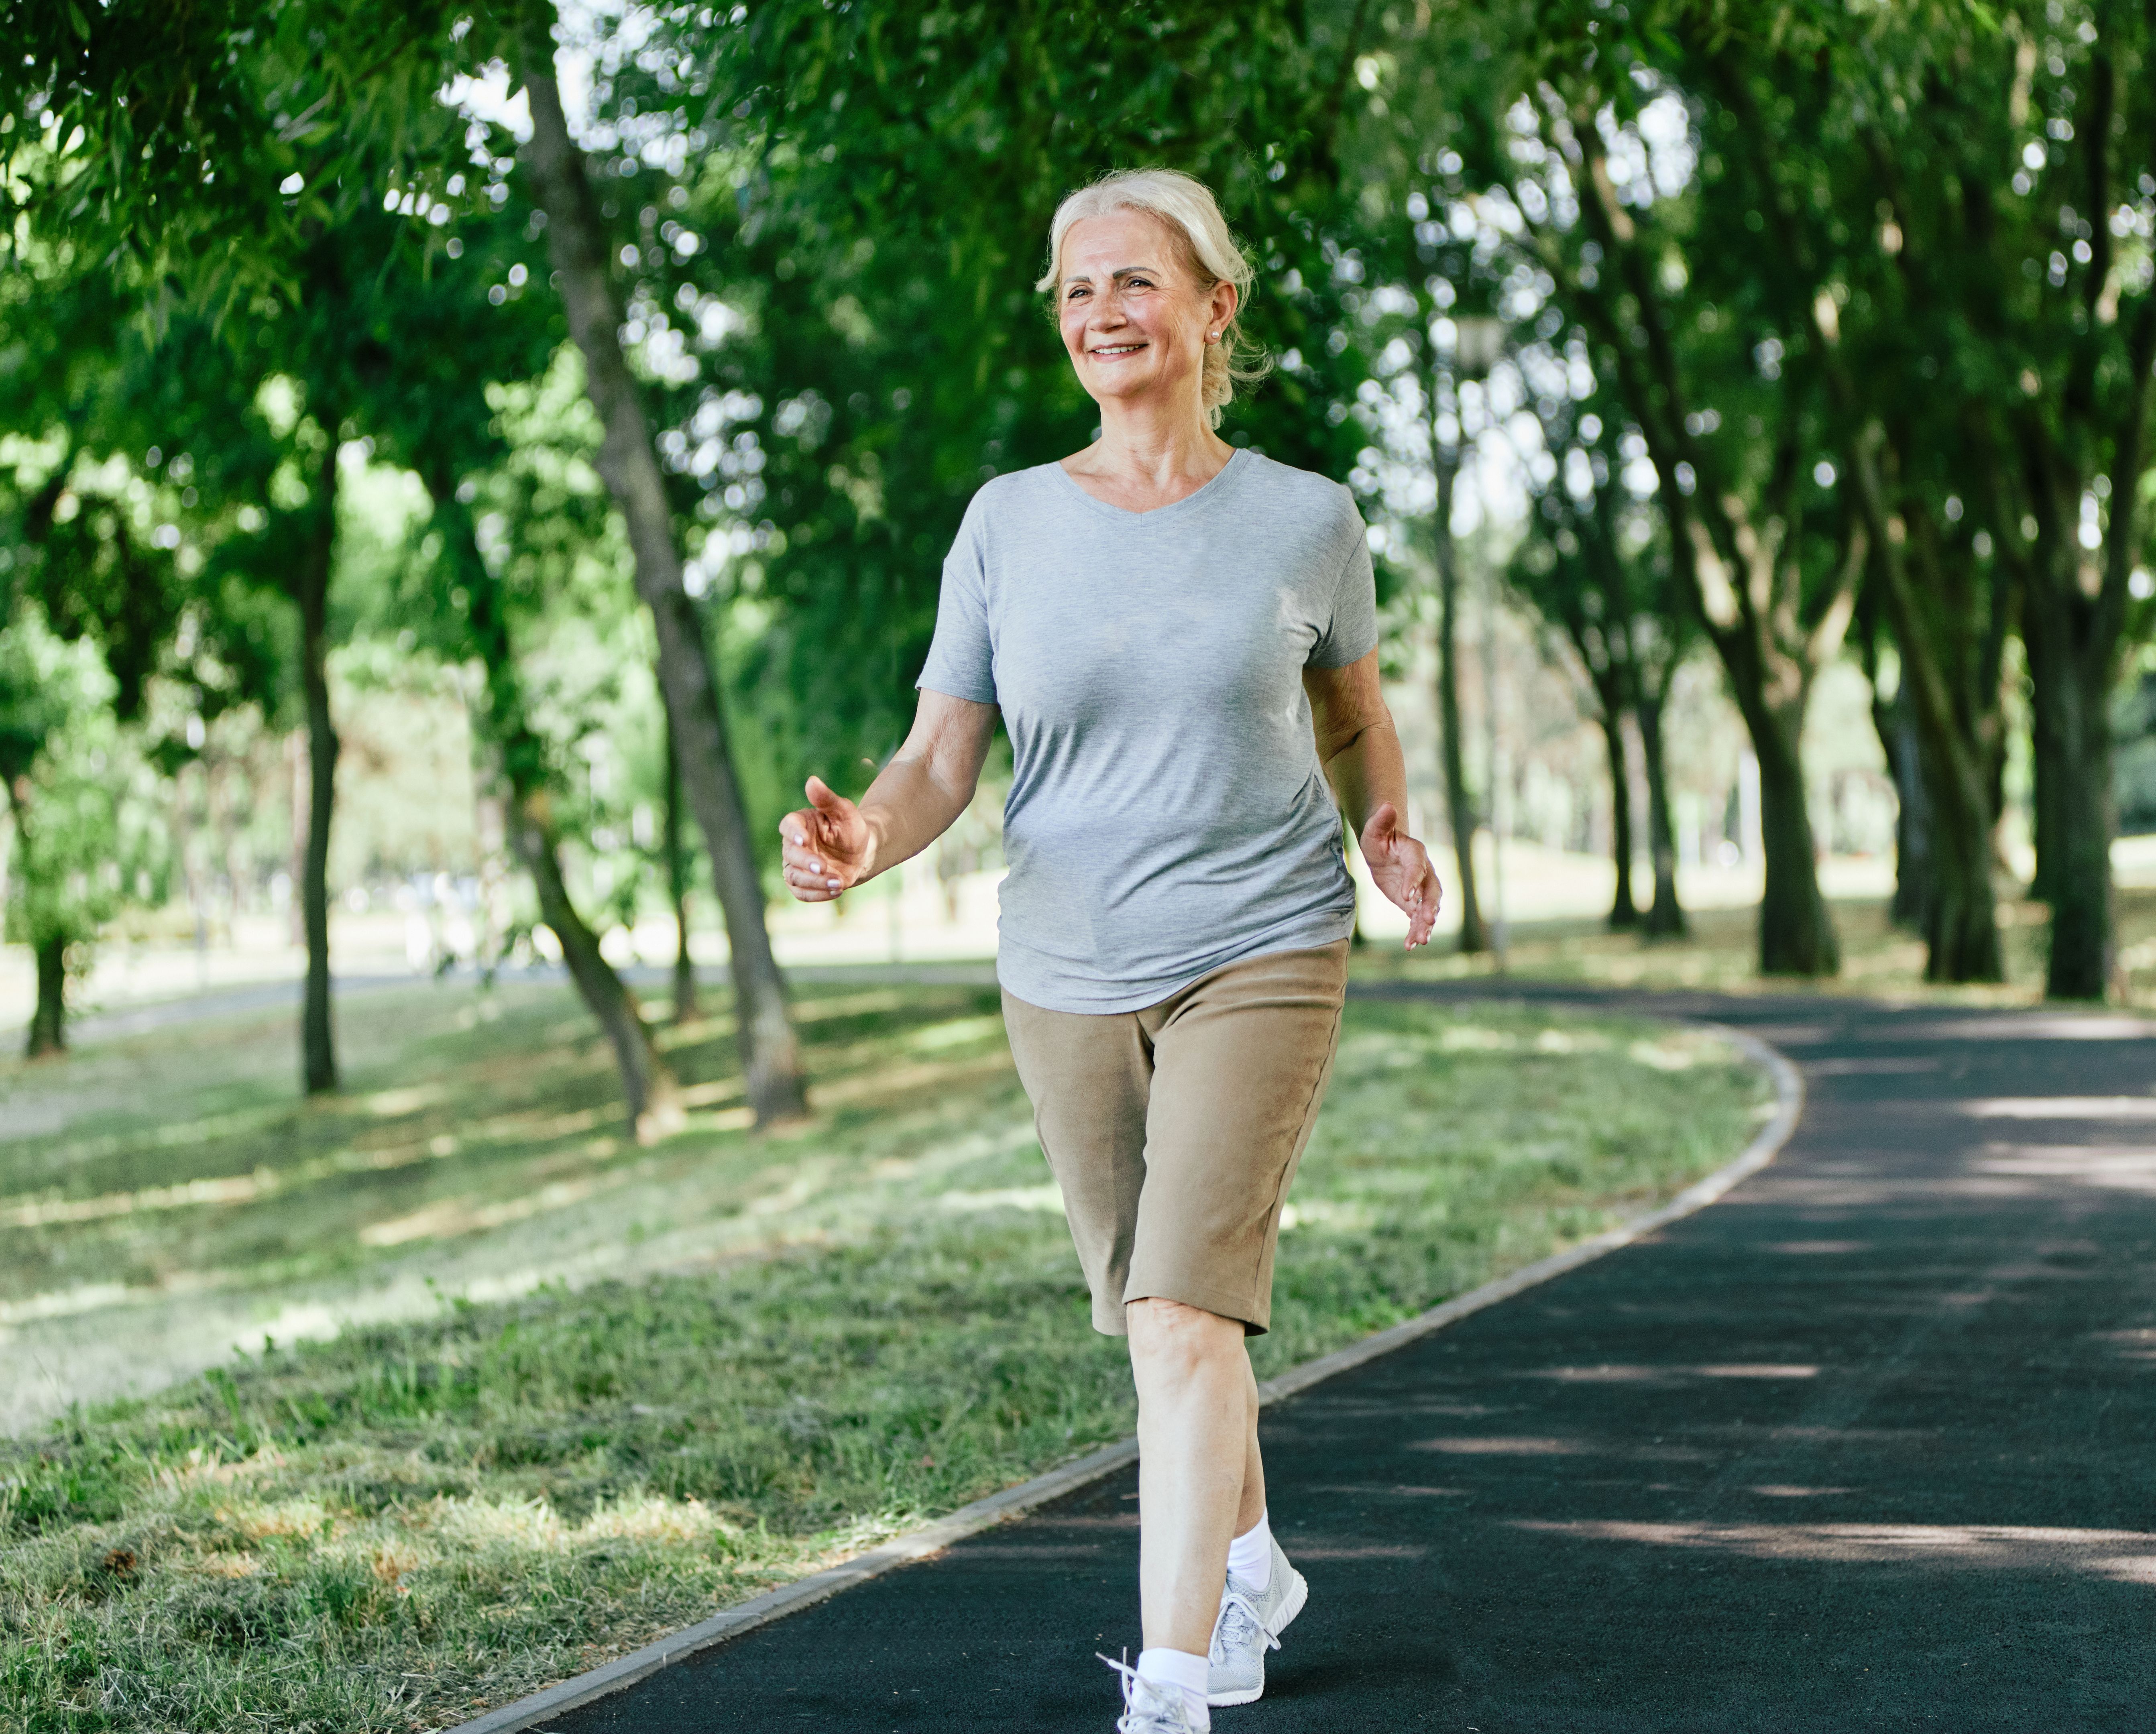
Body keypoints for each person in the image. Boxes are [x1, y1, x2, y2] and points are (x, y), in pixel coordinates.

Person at [779, 167, 1440, 1733]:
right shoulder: (1007, 523)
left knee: (1178, 1314)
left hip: (1262, 941)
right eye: (1075, 291)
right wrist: (864, 839)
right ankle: (1252, 1563)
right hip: (1062, 965)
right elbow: (940, 757)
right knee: (1160, 1306)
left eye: (1131, 281)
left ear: (1214, 306)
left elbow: (1350, 719)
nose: (1098, 312)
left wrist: (1388, 825)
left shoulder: (1302, 518)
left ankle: (1165, 1693)